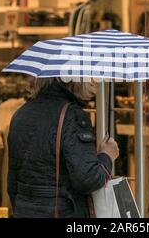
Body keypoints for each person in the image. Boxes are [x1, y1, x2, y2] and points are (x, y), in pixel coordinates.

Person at [8, 78, 119, 218]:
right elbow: (87, 179)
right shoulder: (73, 116)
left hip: (24, 211)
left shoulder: (21, 114)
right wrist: (107, 156)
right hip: (61, 211)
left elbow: (12, 181)